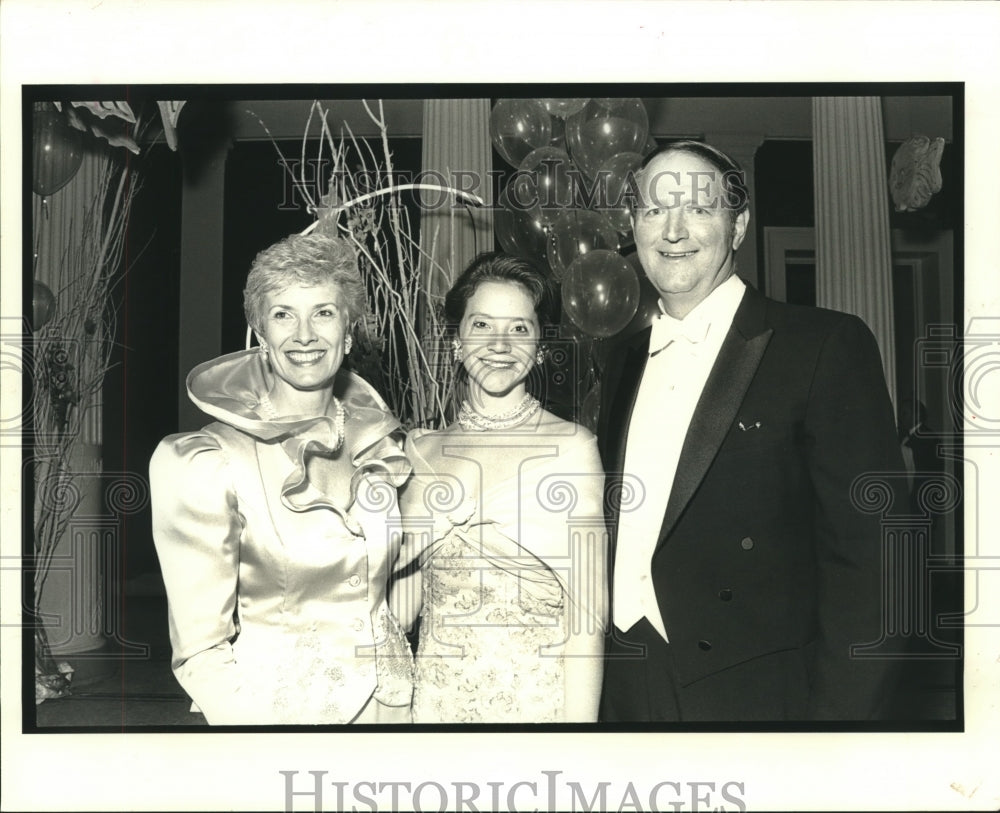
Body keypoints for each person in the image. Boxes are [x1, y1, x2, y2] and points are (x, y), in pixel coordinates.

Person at [597, 141, 905, 721]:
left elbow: (877, 563)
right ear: (633, 227)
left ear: (738, 226)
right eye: (653, 210)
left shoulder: (823, 345)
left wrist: (837, 738)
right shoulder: (621, 359)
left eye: (699, 209)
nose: (673, 230)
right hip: (625, 685)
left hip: (759, 697)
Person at [149, 232, 414, 724]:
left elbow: (382, 584)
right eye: (283, 314)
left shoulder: (379, 442)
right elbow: (200, 652)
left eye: (324, 312)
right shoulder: (209, 461)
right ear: (260, 335)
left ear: (350, 333)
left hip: (392, 711)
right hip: (280, 721)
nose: (305, 335)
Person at [392, 253, 607, 723]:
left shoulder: (571, 449)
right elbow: (402, 612)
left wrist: (578, 749)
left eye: (519, 329)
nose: (500, 345)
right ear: (456, 339)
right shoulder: (419, 451)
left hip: (536, 712)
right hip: (434, 710)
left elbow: (587, 622)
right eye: (483, 325)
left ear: (542, 346)